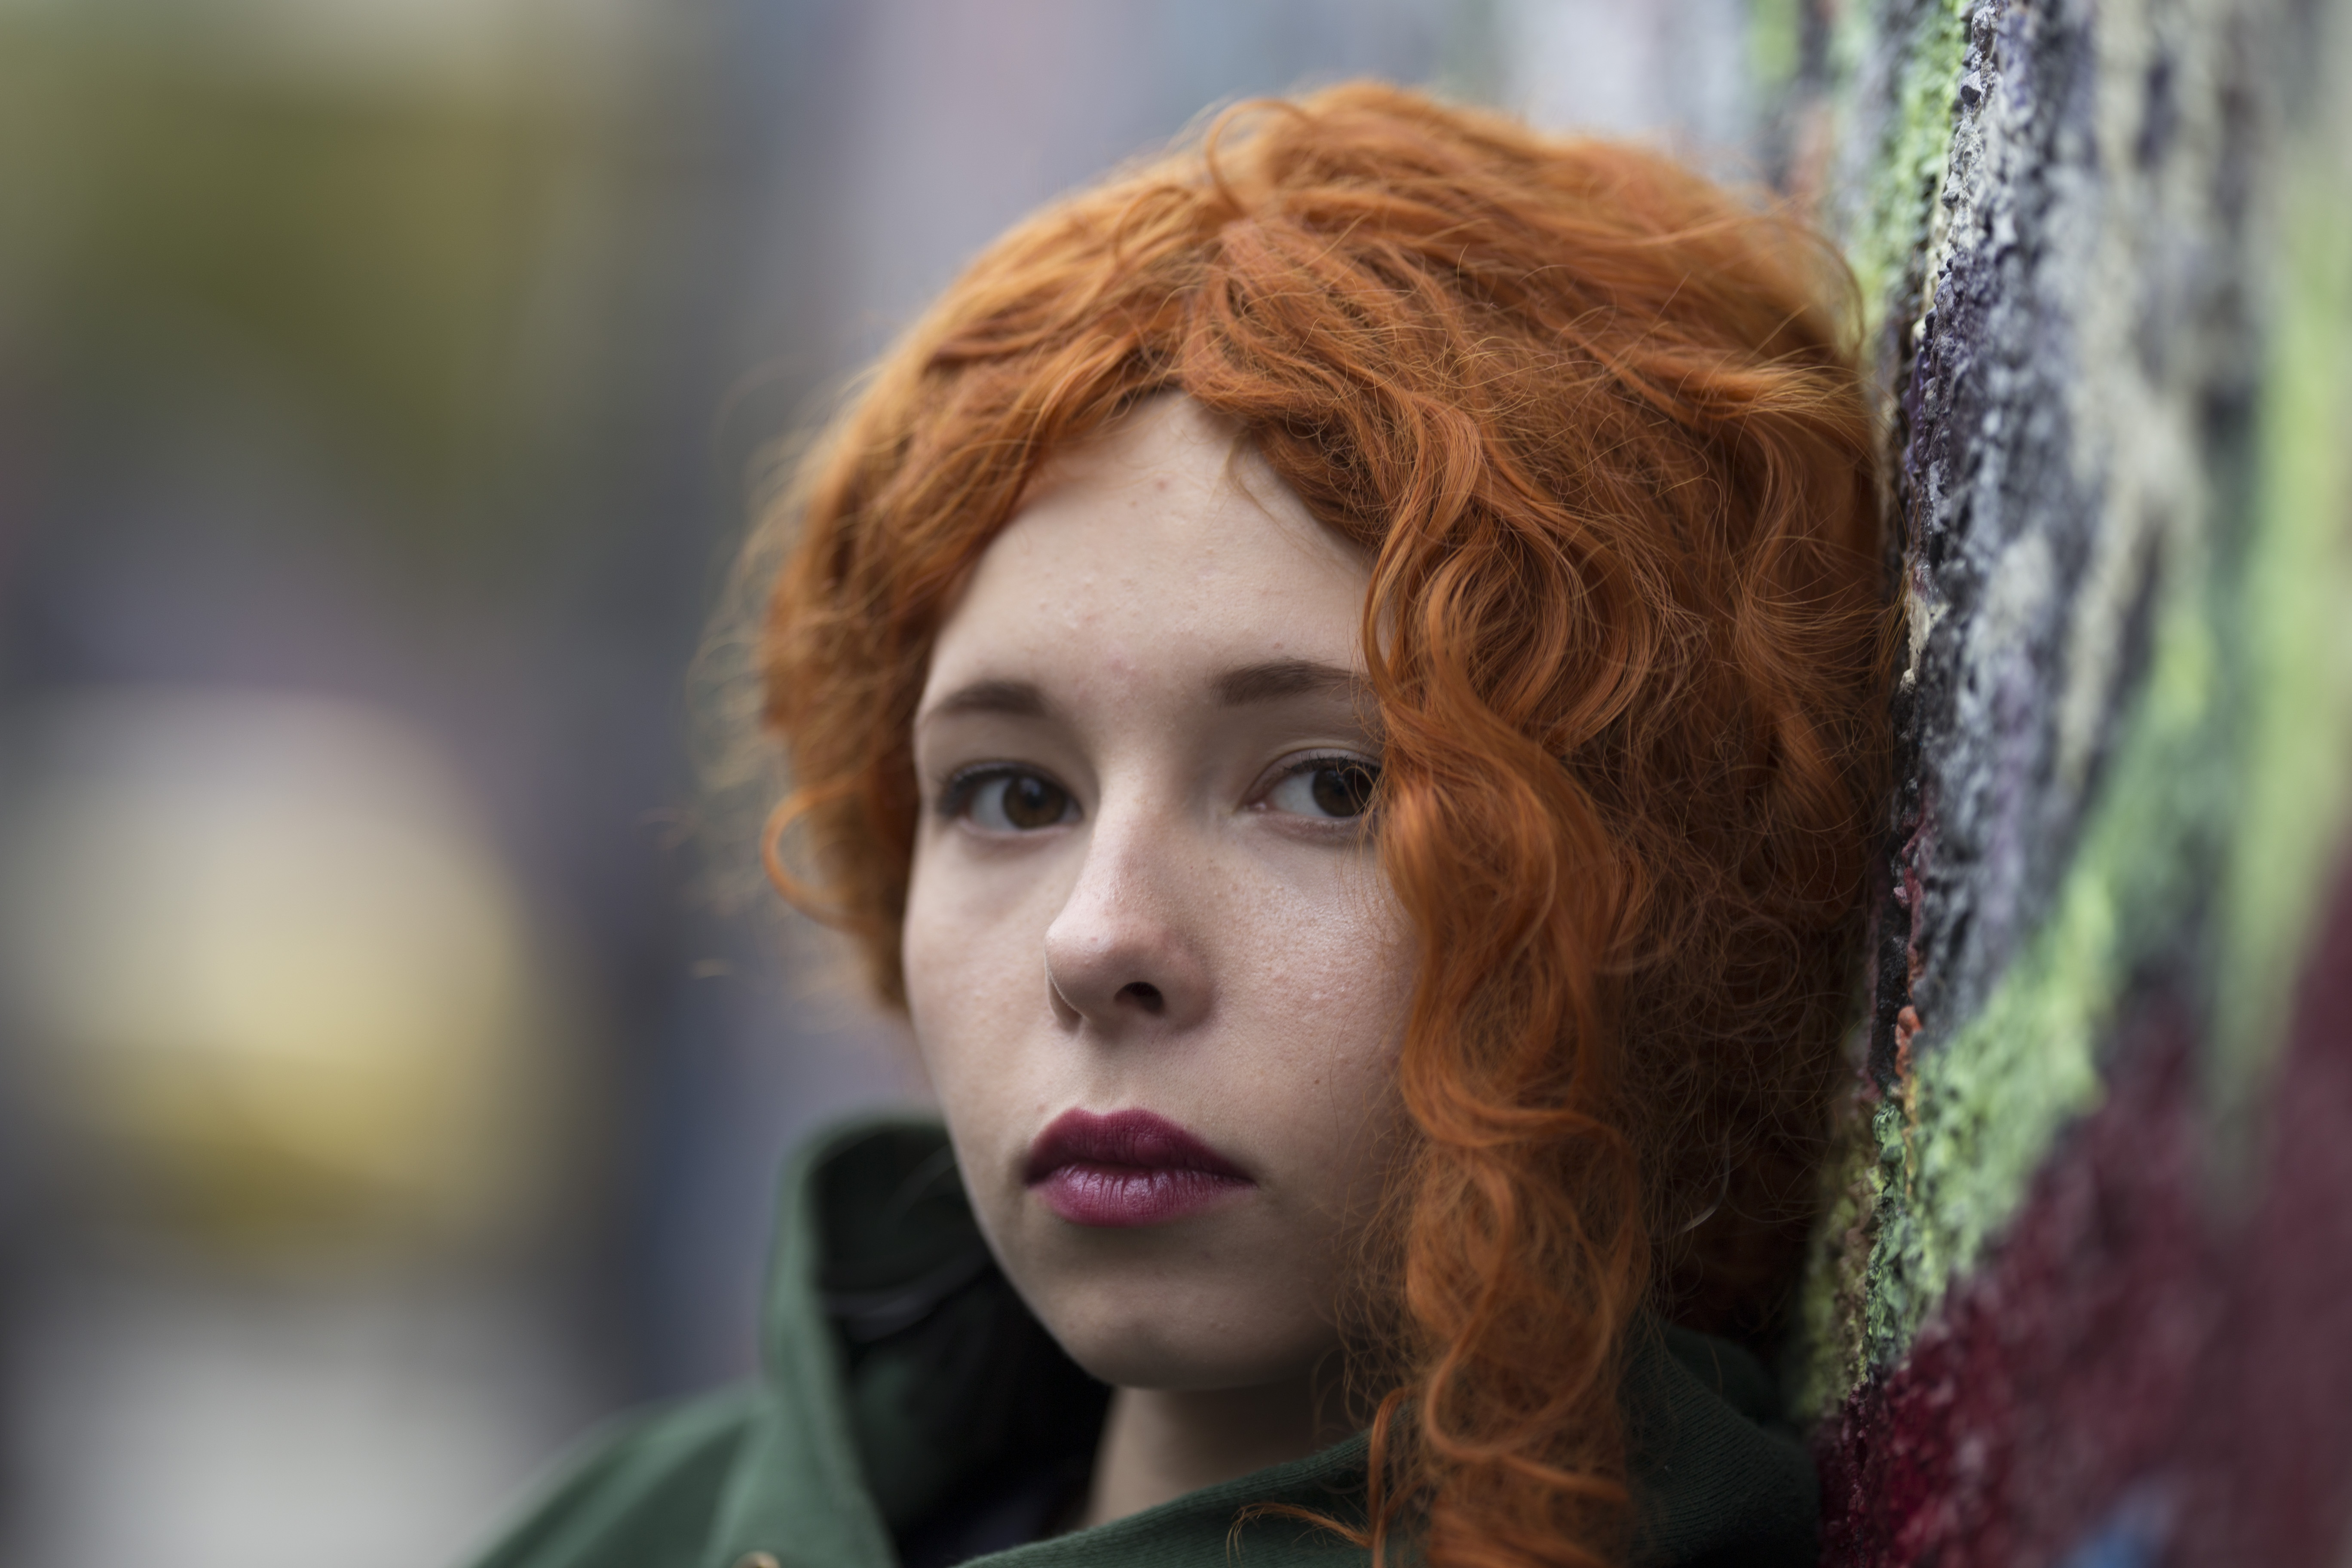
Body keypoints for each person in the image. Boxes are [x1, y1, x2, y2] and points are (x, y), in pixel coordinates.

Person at [471, 83, 1887, 1568]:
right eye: (1013, 795)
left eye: (1331, 786)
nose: (1099, 944)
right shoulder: (625, 1533)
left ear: (1669, 886)